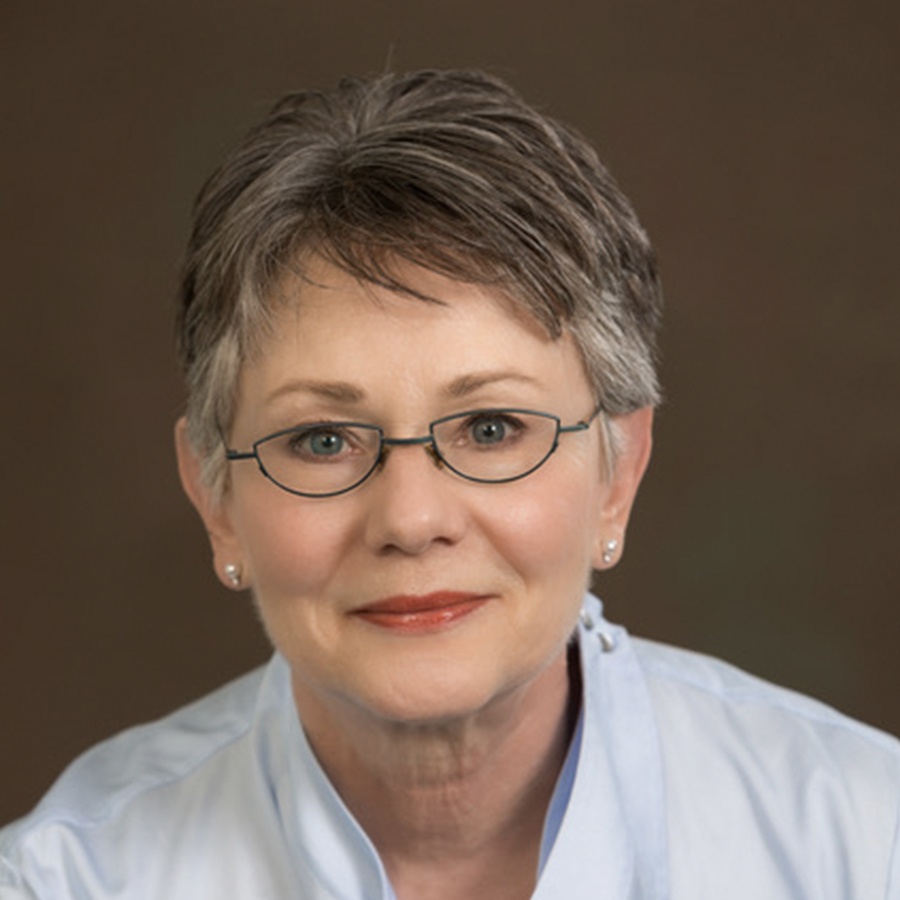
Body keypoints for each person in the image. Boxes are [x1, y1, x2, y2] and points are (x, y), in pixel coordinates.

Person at [1, 69, 898, 900]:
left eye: (492, 428)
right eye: (323, 440)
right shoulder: (68, 879)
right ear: (214, 497)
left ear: (617, 473)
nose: (412, 518)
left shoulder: (863, 841)